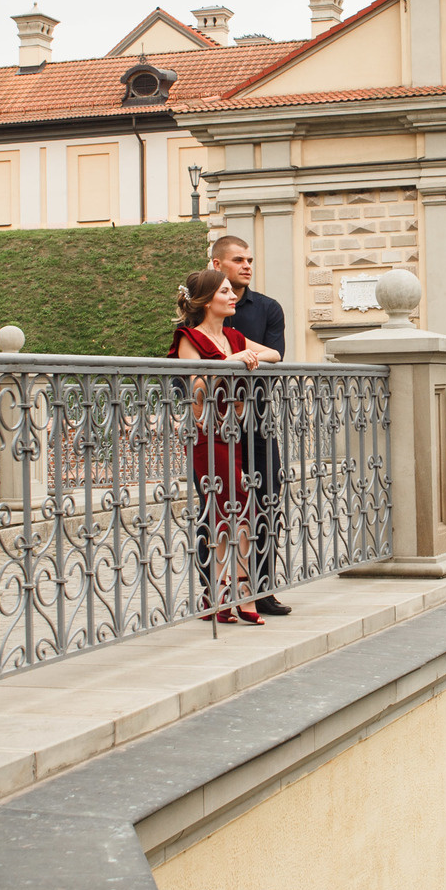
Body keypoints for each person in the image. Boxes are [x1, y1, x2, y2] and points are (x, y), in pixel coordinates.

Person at [171, 267, 278, 624]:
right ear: (205, 301)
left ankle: (226, 592)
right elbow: (196, 386)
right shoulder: (189, 337)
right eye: (225, 292)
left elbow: (275, 355)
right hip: (206, 431)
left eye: (232, 291)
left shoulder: (233, 336)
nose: (233, 296)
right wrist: (230, 362)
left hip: (234, 431)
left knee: (235, 509)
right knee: (229, 507)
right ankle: (231, 591)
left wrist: (246, 355)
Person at [210, 236, 292, 615]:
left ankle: (262, 589)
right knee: (216, 506)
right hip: (216, 421)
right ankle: (215, 594)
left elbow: (276, 358)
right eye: (237, 259)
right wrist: (236, 353)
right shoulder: (202, 307)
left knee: (267, 501)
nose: (246, 265)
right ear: (216, 264)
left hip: (257, 419)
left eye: (249, 259)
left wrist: (236, 345)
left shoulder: (268, 308)